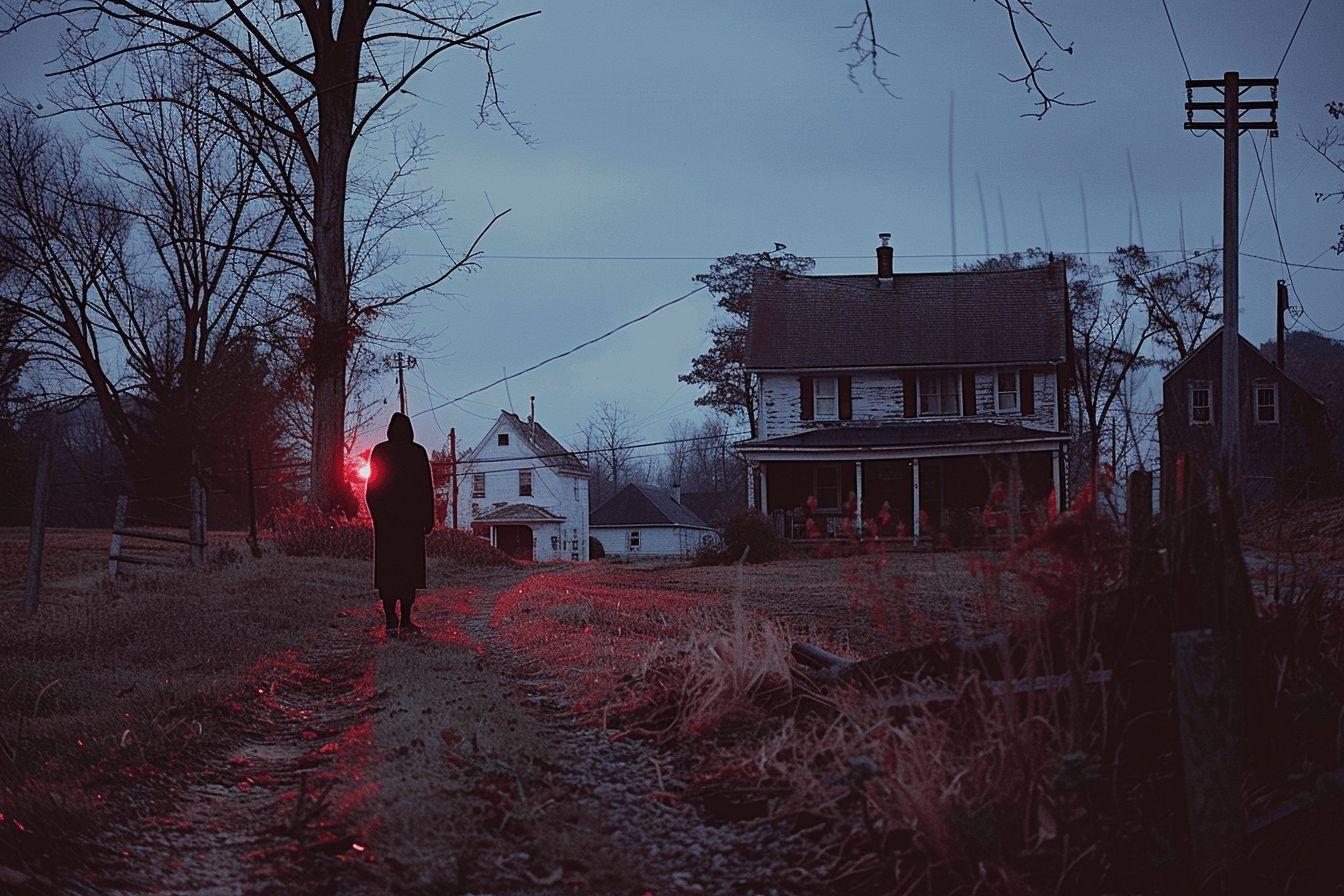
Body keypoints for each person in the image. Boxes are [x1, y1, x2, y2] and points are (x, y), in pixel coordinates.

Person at [365, 412, 434, 637]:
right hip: (411, 525)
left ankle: (390, 618)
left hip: (387, 526)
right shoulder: (418, 452)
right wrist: (427, 519)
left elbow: (371, 491)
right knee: (409, 572)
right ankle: (404, 619)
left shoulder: (381, 452)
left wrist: (377, 517)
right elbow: (426, 490)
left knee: (388, 571)